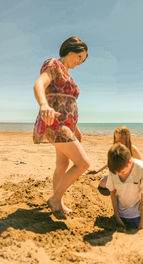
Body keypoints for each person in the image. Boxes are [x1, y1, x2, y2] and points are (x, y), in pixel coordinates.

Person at [33, 36, 90, 218]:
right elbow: (39, 84)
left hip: (67, 126)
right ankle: (55, 198)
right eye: (80, 57)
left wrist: (76, 128)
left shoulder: (67, 74)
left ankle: (59, 203)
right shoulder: (54, 65)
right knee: (83, 163)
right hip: (55, 123)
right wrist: (43, 105)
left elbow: (68, 104)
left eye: (83, 60)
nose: (81, 62)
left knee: (62, 164)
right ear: (71, 51)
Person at [106, 143, 143, 229]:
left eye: (122, 172)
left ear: (130, 162)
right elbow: (112, 192)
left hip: (138, 216)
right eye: (116, 173)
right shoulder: (114, 169)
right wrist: (117, 216)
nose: (118, 175)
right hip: (121, 216)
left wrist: (141, 226)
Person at [88, 126, 142, 192]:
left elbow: (141, 165)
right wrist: (97, 170)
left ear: (126, 138)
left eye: (120, 138)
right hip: (118, 175)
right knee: (102, 183)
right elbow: (110, 162)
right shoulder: (117, 149)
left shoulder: (133, 149)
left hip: (131, 177)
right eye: (116, 138)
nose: (117, 140)